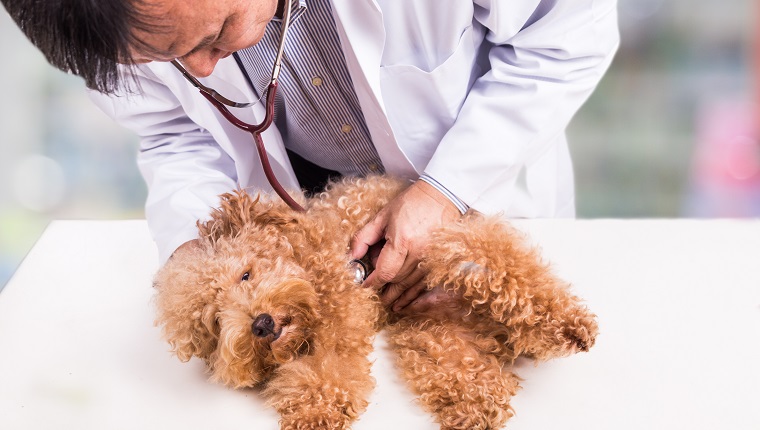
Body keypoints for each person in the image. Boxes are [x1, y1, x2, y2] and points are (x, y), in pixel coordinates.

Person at [1, 0, 619, 315]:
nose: (195, 71)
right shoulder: (124, 25)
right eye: (167, 59)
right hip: (307, 229)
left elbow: (564, 38)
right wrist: (194, 253)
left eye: (210, 38)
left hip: (477, 196)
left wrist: (446, 193)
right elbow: (174, 133)